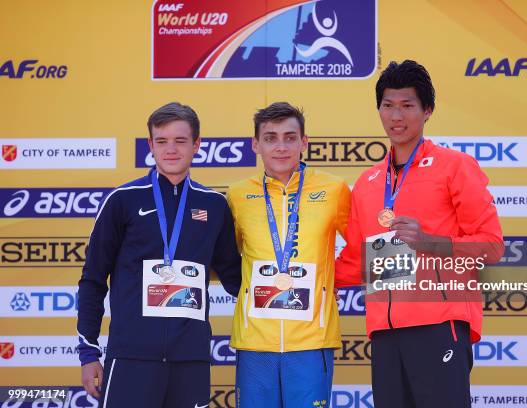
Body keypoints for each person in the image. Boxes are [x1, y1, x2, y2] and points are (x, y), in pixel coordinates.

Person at [335, 60, 503, 407]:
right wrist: (298, 274)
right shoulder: (367, 182)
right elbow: (354, 261)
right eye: (388, 105)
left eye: (407, 106)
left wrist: (428, 242)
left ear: (427, 111)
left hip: (438, 325)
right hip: (385, 332)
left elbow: (492, 246)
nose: (396, 116)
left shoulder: (455, 166)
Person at [77, 102, 241, 408]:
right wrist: (88, 353)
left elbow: (237, 280)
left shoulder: (215, 205)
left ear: (197, 145)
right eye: (161, 141)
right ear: (150, 144)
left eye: (180, 141)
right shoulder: (123, 200)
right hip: (131, 356)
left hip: (190, 359)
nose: (171, 150)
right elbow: (93, 279)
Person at [226, 102, 351, 408]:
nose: (280, 146)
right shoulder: (238, 195)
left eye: (289, 137)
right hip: (255, 343)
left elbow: (363, 245)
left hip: (311, 342)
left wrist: (331, 279)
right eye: (270, 138)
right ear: (256, 144)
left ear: (303, 142)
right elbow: (226, 259)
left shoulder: (334, 190)